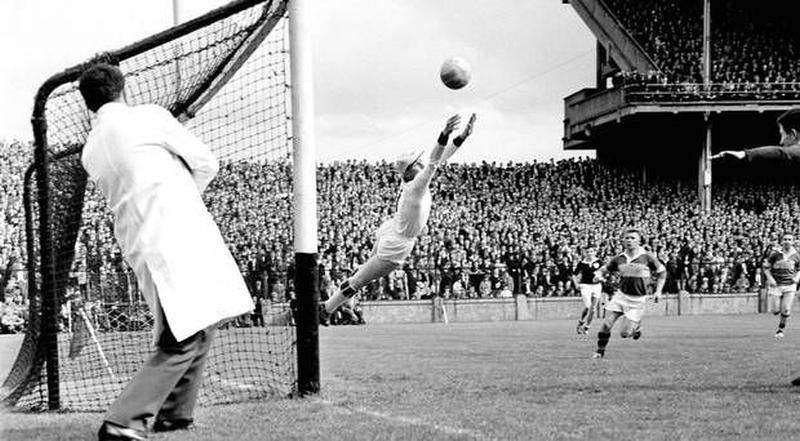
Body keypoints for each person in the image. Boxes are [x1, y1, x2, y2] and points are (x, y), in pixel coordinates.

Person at [79, 63, 254, 441]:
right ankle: (124, 420)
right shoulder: (148, 117)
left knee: (200, 323)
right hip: (179, 233)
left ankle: (175, 413)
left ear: (88, 103)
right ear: (123, 90)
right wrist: (183, 196)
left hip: (140, 241)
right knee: (184, 333)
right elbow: (207, 163)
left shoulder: (90, 148)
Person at [319, 113, 477, 324]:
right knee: (359, 280)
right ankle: (326, 309)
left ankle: (330, 305)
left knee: (361, 273)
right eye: (418, 162)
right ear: (413, 169)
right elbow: (433, 161)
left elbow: (440, 158)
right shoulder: (417, 186)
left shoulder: (408, 180)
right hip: (398, 241)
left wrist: (462, 136)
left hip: (392, 229)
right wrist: (445, 134)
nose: (422, 163)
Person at [592, 228, 666, 359]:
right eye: (627, 238)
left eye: (633, 238)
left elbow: (662, 272)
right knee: (606, 324)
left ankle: (636, 327)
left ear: (639, 241)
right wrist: (598, 275)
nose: (629, 240)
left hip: (637, 300)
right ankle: (599, 352)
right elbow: (603, 270)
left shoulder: (647, 257)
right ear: (622, 241)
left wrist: (658, 291)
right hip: (621, 296)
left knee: (625, 334)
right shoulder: (619, 258)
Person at [761, 233, 800, 339]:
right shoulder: (775, 254)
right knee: (775, 311)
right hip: (776, 285)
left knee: (786, 309)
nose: (787, 241)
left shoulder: (797, 254)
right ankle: (779, 313)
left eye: (789, 239)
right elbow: (765, 267)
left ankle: (780, 329)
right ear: (782, 241)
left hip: (790, 285)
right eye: (785, 239)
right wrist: (770, 278)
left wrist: (797, 278)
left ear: (793, 242)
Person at [572, 245, 603, 335]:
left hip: (596, 286)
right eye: (587, 252)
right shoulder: (582, 263)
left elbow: (605, 272)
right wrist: (576, 284)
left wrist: (601, 278)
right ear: (585, 253)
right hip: (585, 286)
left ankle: (587, 327)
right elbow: (574, 274)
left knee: (593, 309)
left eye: (591, 251)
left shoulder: (599, 262)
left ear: (594, 252)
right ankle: (581, 322)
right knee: (587, 306)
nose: (589, 253)